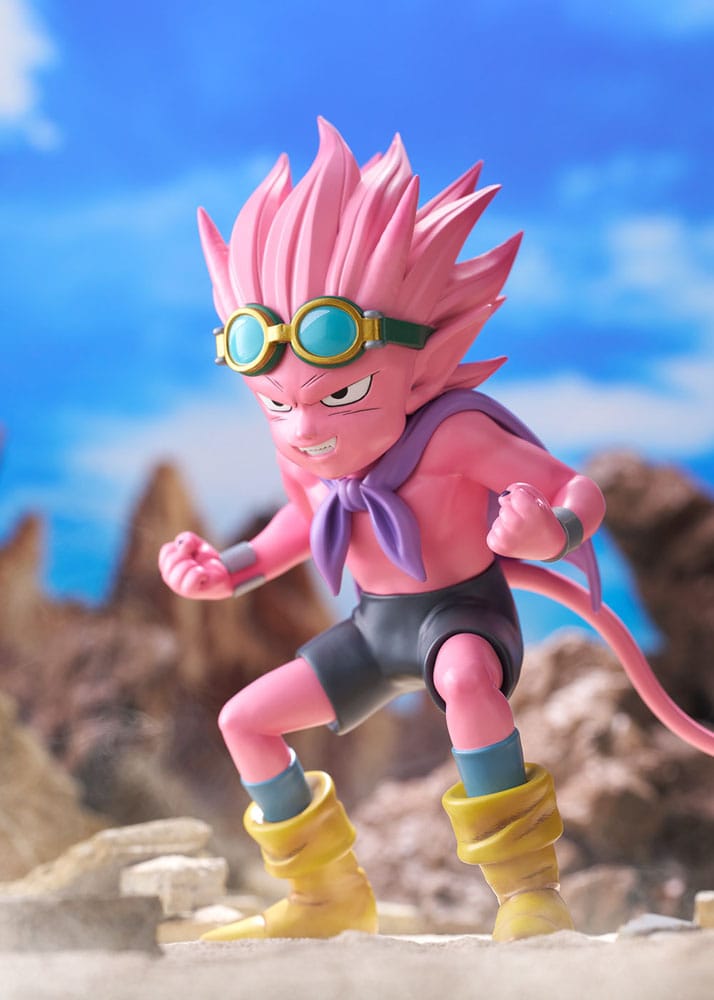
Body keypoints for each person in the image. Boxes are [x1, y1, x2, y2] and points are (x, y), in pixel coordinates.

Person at [159, 119, 713, 942]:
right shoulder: (310, 455)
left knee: (463, 680)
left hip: (462, 614)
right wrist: (226, 571)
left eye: (339, 395)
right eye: (278, 403)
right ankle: (323, 896)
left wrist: (551, 535)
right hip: (374, 628)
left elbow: (574, 489)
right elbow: (302, 520)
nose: (305, 426)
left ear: (415, 359)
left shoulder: (454, 435)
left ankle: (528, 892)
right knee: (245, 719)